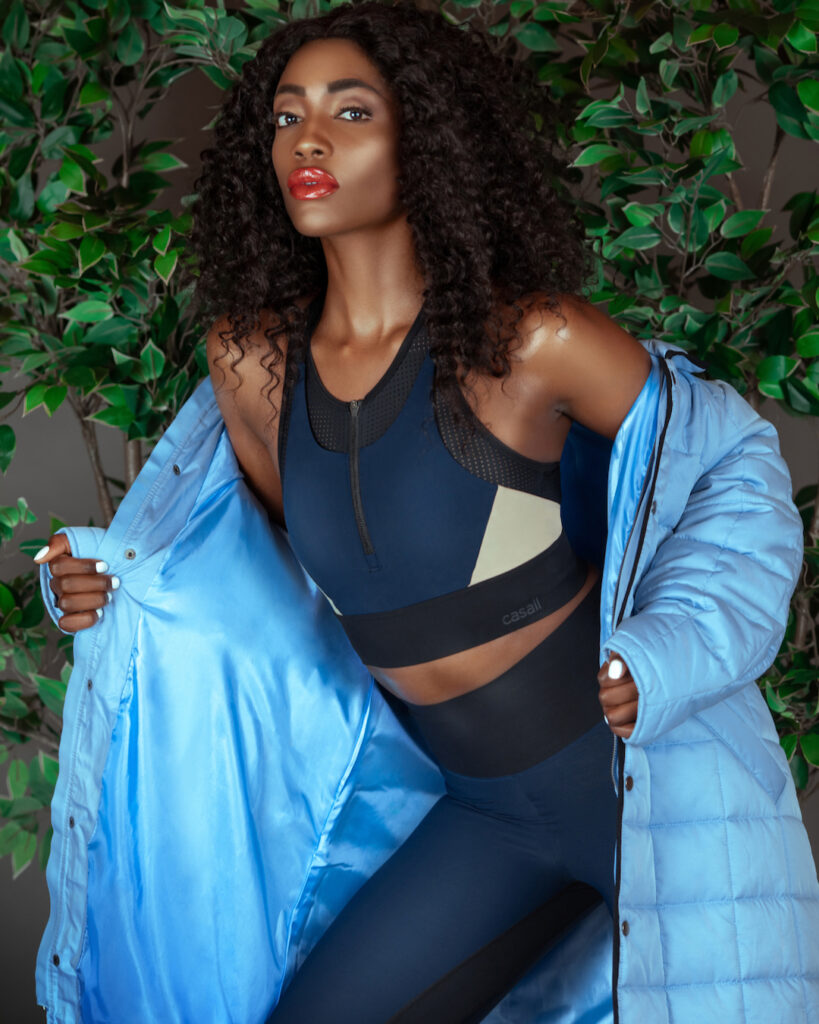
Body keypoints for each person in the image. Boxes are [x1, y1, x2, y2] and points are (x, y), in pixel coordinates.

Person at [34, 3, 818, 1023]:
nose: (309, 139)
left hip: (653, 792)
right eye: (286, 117)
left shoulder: (528, 342)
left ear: (428, 140)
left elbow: (732, 474)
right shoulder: (255, 365)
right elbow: (266, 588)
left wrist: (668, 651)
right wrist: (112, 589)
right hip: (487, 813)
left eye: (351, 111)